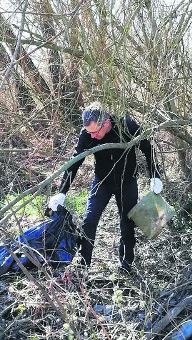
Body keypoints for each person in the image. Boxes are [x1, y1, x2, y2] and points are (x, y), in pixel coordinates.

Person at [47, 102, 163, 272]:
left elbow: (147, 148)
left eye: (95, 132)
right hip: (102, 182)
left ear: (106, 122)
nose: (92, 137)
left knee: (127, 223)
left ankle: (126, 264)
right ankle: (83, 264)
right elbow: (75, 162)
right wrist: (62, 192)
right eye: (89, 132)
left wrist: (155, 175)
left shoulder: (127, 125)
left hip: (127, 181)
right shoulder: (87, 134)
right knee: (89, 221)